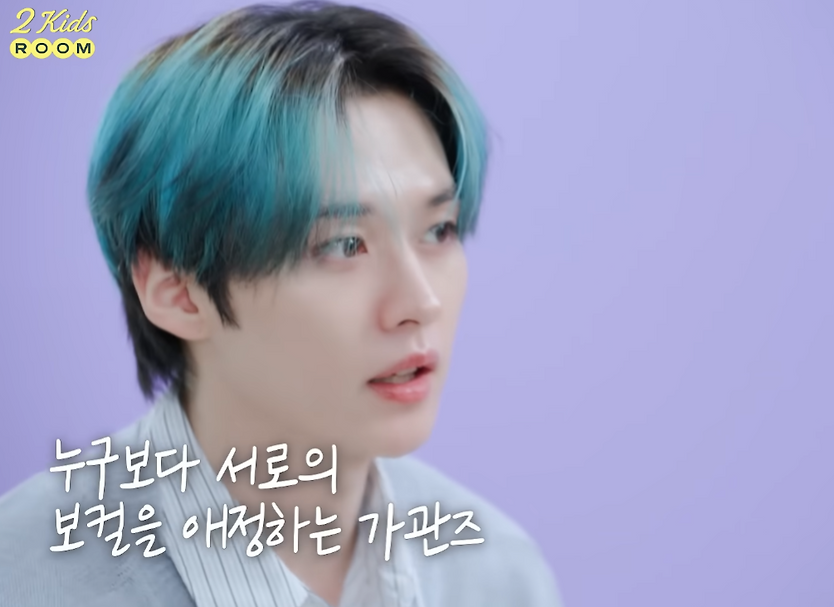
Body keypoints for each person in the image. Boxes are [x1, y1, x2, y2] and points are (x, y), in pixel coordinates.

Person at [0, 3, 563, 606]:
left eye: (439, 230)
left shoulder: (497, 576)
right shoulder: (26, 576)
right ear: (176, 289)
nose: (420, 302)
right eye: (343, 244)